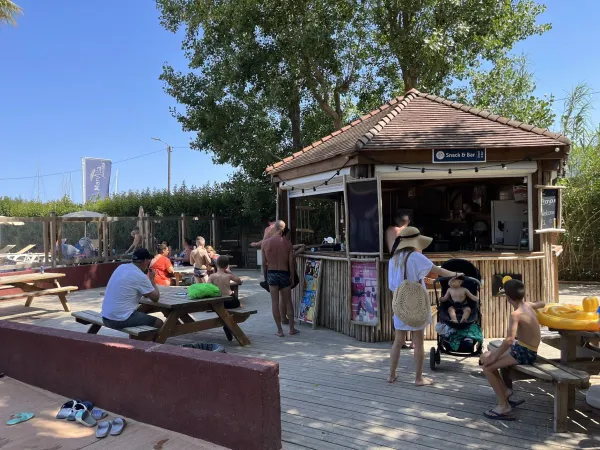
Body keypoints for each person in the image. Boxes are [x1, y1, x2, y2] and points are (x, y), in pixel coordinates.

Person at [388, 226, 463, 386]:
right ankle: (418, 378)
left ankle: (391, 374)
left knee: (398, 340)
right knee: (419, 340)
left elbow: (392, 285)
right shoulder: (415, 256)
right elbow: (438, 271)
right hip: (416, 304)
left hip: (400, 303)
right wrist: (456, 274)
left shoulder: (393, 259)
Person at [480, 279, 545, 420]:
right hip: (525, 348)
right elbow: (542, 303)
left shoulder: (516, 315)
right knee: (488, 351)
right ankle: (506, 391)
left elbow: (509, 340)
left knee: (487, 367)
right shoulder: (528, 306)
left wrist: (494, 357)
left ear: (508, 298)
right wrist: (538, 305)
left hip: (525, 353)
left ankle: (504, 406)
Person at [101, 248, 164, 330]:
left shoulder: (121, 267)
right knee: (159, 323)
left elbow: (144, 293)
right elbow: (155, 298)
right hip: (118, 319)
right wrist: (152, 280)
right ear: (145, 261)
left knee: (142, 311)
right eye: (149, 260)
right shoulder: (140, 276)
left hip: (105, 316)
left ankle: (141, 341)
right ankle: (153, 343)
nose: (149, 263)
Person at [262, 220, 298, 337]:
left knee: (275, 303)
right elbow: (290, 263)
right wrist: (292, 276)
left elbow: (264, 264)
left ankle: (280, 330)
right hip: (284, 273)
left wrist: (266, 278)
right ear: (283, 229)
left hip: (271, 273)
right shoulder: (287, 243)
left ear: (275, 228)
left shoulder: (265, 243)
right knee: (288, 302)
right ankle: (292, 329)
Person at [252, 217, 277, 291]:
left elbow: (264, 240)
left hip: (269, 249)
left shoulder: (269, 228)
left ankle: (266, 281)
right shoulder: (282, 228)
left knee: (265, 264)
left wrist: (256, 244)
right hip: (279, 249)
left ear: (269, 222)